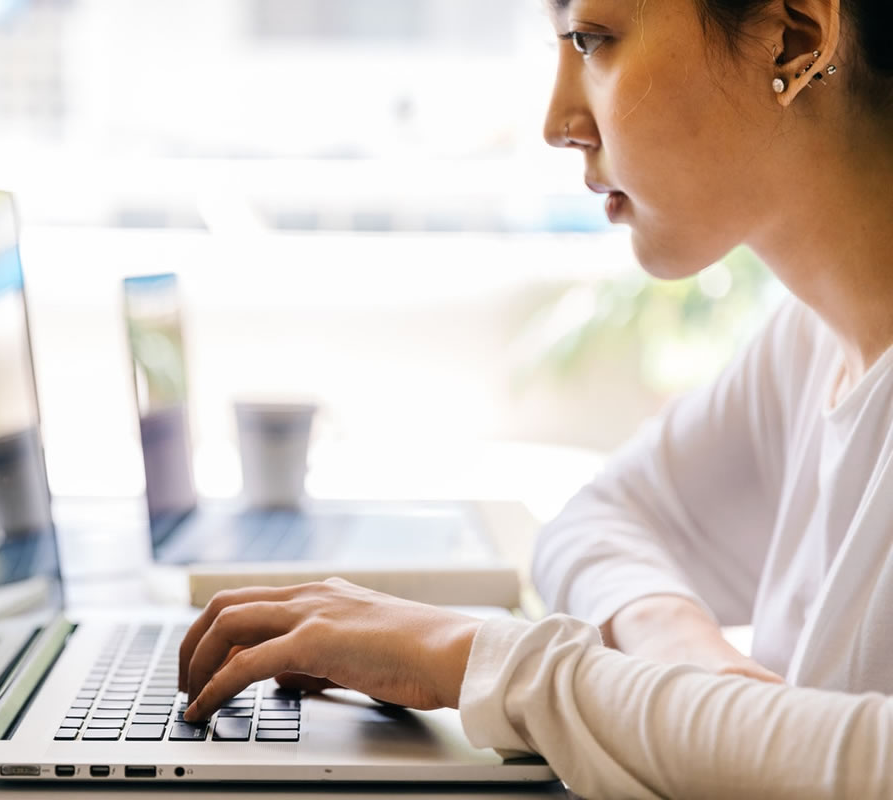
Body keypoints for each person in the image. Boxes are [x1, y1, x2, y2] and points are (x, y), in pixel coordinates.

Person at [177, 0, 893, 796]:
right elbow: (597, 520)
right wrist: (690, 670)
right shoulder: (810, 343)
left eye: (592, 39)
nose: (557, 121)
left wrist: (482, 664)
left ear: (792, 39)